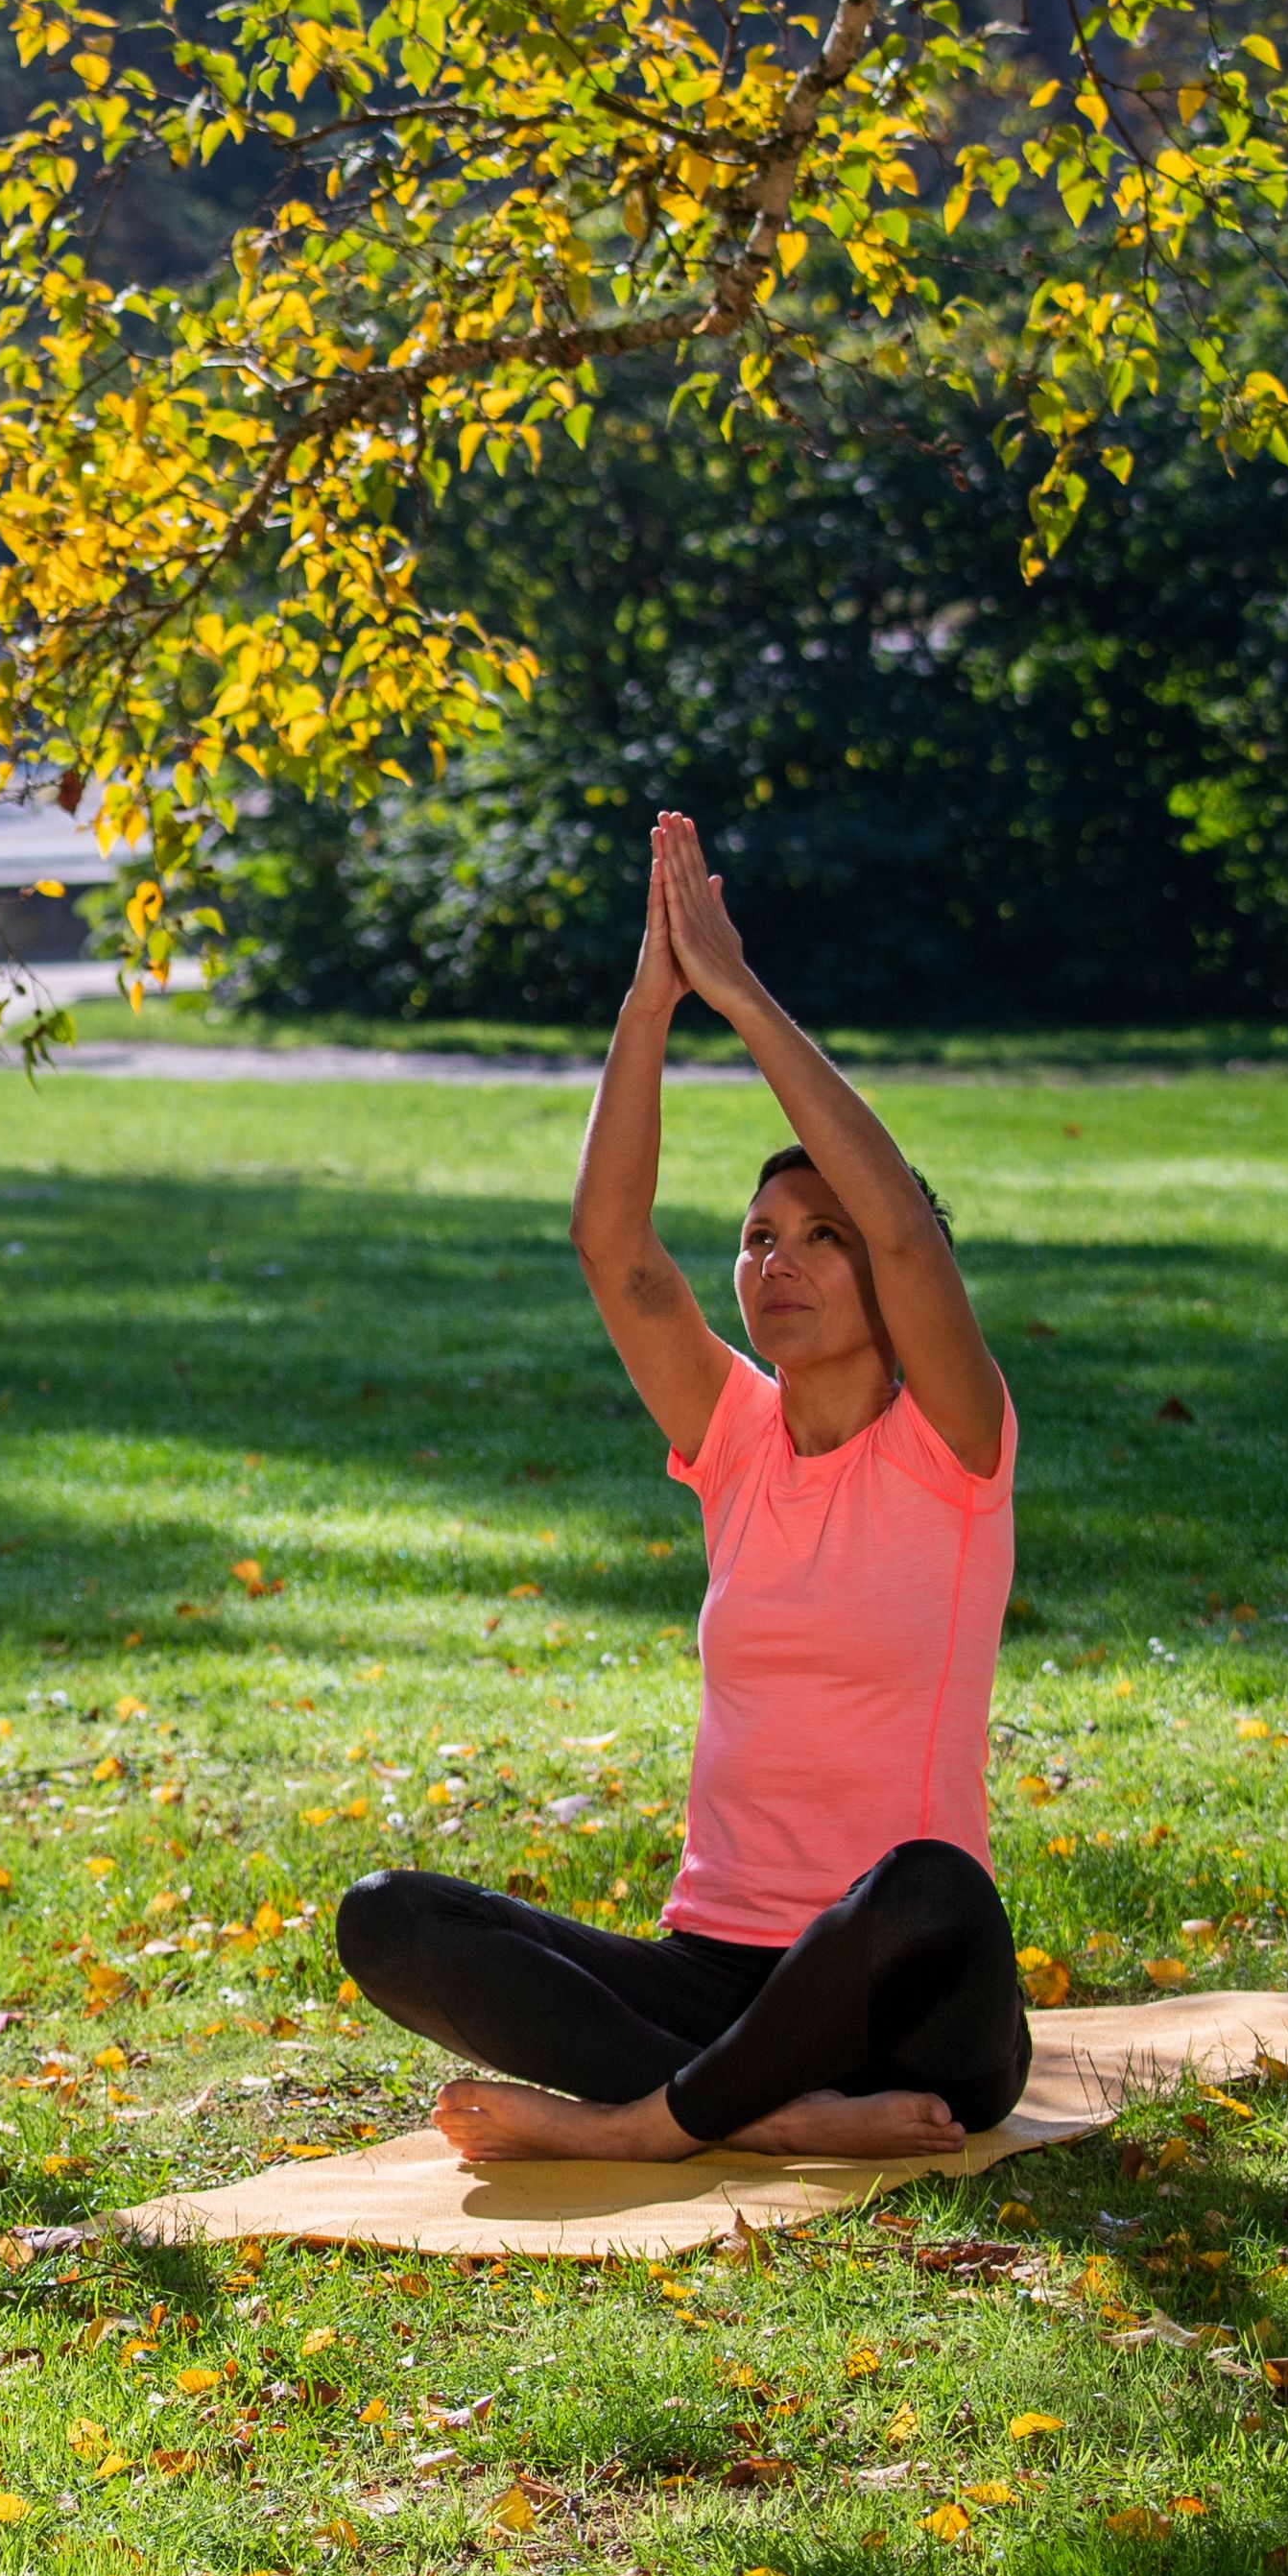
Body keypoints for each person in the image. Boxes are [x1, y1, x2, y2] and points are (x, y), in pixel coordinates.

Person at [330, 810, 1033, 2165]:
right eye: (760, 1236)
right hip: (716, 1978)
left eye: (823, 1238)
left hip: (904, 1993)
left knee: (931, 1885)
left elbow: (903, 1222)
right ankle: (768, 2112)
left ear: (896, 1280)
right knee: (391, 1919)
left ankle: (649, 2124)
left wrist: (741, 993)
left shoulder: (954, 1442)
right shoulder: (738, 1436)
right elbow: (614, 1246)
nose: (781, 1260)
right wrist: (650, 1003)